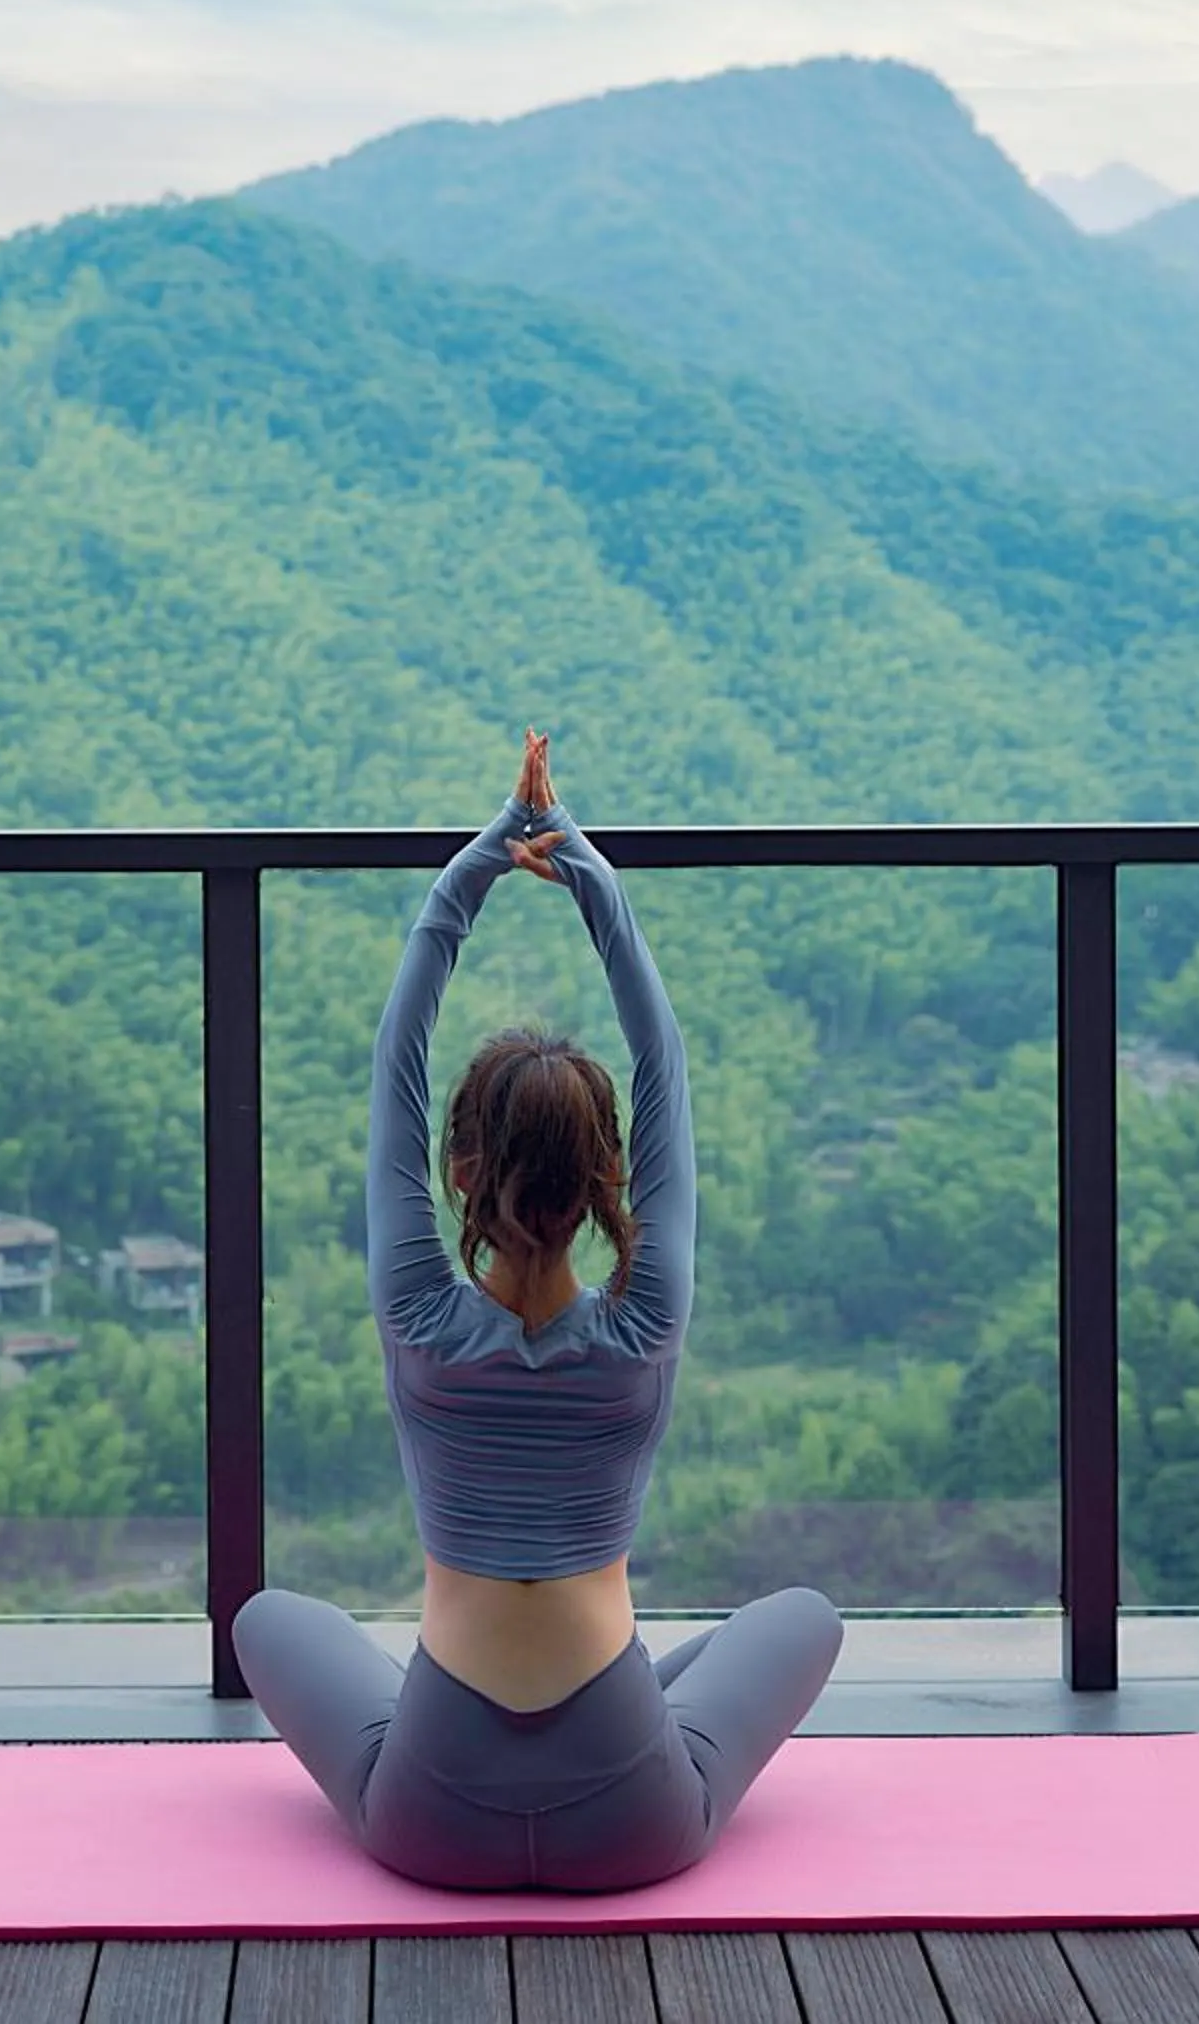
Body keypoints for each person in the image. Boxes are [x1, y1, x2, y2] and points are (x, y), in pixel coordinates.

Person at [232, 725, 844, 1892]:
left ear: (460, 1173)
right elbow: (663, 1071)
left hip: (430, 1815)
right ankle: (640, 1705)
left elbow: (396, 1065)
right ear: (609, 1180)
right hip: (633, 1819)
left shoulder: (418, 1313)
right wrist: (594, 884)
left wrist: (467, 879)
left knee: (268, 1621)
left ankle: (475, 1718)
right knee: (802, 1616)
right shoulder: (643, 1323)